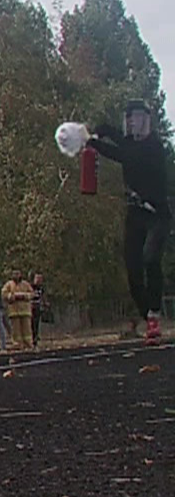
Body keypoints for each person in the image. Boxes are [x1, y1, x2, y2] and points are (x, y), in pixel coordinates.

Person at [88, 99, 169, 342]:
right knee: (132, 270)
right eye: (129, 118)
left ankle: (154, 310)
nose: (133, 122)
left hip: (157, 213)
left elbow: (124, 155)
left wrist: (95, 144)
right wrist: (93, 133)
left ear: (146, 119)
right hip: (135, 214)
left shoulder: (155, 146)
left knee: (151, 258)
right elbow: (110, 132)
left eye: (137, 117)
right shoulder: (129, 142)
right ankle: (148, 317)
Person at [1, 271, 34, 349]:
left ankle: (28, 344)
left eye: (18, 274)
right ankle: (17, 344)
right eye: (14, 274)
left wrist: (24, 296)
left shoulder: (26, 284)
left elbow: (32, 294)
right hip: (14, 311)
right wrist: (11, 296)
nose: (16, 275)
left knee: (27, 330)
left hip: (25, 310)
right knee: (16, 330)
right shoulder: (8, 284)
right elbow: (3, 294)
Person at [29, 272, 50, 346]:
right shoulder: (30, 287)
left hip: (37, 306)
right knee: (31, 324)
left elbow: (43, 296)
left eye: (40, 279)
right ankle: (31, 338)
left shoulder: (41, 288)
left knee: (36, 323)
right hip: (30, 307)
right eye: (37, 278)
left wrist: (45, 303)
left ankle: (35, 338)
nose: (38, 280)